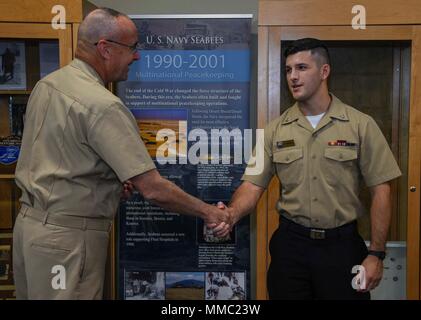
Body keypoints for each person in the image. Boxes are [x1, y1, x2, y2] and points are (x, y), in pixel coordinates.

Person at [12, 8, 231, 300]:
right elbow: (153, 189)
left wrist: (106, 182)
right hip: (67, 241)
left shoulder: (48, 85)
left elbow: (62, 157)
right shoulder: (102, 104)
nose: (137, 56)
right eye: (132, 48)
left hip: (30, 230)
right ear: (105, 48)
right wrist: (210, 213)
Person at [215, 38, 402, 299]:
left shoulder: (361, 125)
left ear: (324, 71)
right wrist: (232, 213)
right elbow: (252, 184)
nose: (293, 76)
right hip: (291, 248)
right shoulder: (273, 130)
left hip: (343, 248)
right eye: (289, 69)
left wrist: (376, 254)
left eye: (302, 68)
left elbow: (382, 189)